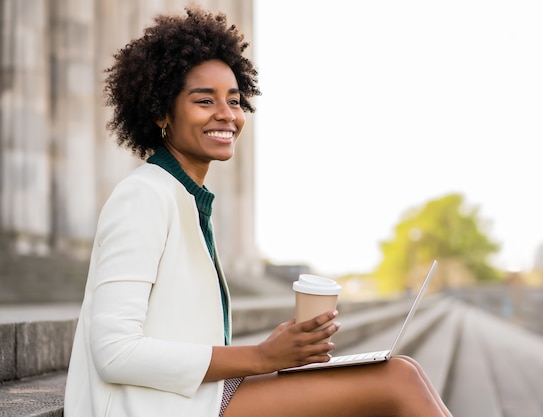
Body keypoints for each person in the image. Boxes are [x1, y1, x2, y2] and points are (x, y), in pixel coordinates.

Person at [64, 7, 453, 417]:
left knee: (404, 368)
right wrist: (263, 357)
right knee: (398, 381)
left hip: (192, 398)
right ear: (161, 112)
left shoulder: (183, 195)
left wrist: (280, 349)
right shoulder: (143, 196)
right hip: (156, 407)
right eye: (204, 100)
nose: (227, 115)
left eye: (234, 101)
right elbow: (114, 352)